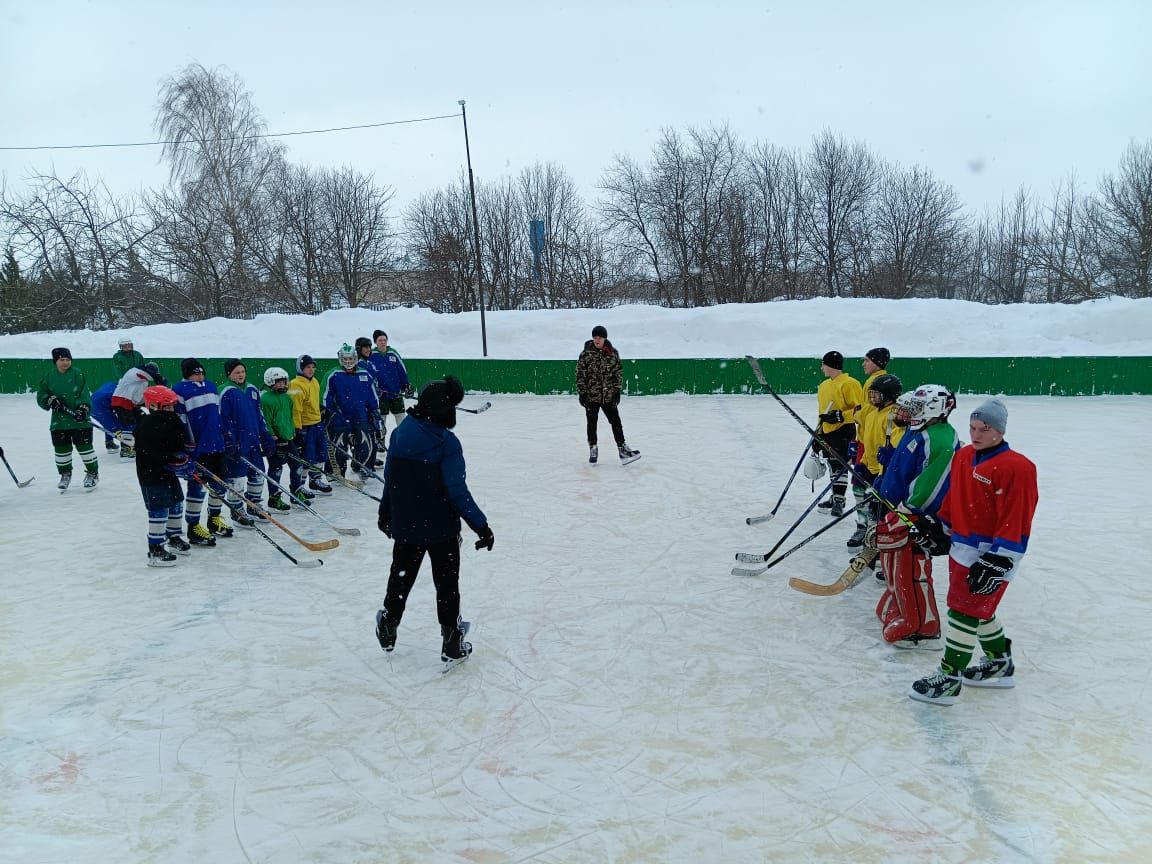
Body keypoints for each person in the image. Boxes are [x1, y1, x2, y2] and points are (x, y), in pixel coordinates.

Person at [909, 398, 1039, 705]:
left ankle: (950, 677)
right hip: (962, 548)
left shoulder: (1017, 467)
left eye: (985, 428)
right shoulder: (965, 455)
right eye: (973, 427)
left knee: (963, 610)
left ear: (1000, 431)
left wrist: (999, 559)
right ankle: (999, 662)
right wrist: (941, 527)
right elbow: (956, 497)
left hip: (992, 554)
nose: (977, 433)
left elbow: (1017, 515)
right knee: (978, 609)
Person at [374, 376, 493, 665]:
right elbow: (457, 491)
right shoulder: (447, 443)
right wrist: (481, 526)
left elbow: (390, 479)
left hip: (407, 525)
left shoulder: (400, 433)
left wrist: (385, 512)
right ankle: (451, 640)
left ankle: (388, 625)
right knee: (447, 584)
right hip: (441, 528)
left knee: (401, 578)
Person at [872, 384, 959, 648]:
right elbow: (905, 465)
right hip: (894, 506)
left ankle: (922, 624)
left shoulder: (941, 438)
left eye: (918, 407)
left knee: (911, 565)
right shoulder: (918, 429)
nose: (911, 411)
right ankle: (899, 605)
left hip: (912, 515)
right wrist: (883, 482)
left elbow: (931, 484)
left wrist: (909, 511)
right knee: (892, 563)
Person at [173, 357, 247, 545]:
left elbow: (217, 414)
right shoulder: (179, 391)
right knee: (197, 487)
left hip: (217, 445)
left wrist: (226, 436)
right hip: (198, 449)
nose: (199, 376)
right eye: (195, 373)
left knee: (219, 484)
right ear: (187, 375)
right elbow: (180, 422)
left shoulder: (212, 386)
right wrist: (185, 447)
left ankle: (214, 519)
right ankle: (193, 526)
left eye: (201, 372)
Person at [134, 385, 193, 567]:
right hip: (152, 474)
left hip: (168, 473)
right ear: (153, 406)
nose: (170, 410)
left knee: (176, 503)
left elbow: (178, 442)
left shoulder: (174, 420)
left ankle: (174, 537)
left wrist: (183, 455)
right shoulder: (147, 425)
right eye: (166, 407)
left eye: (171, 406)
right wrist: (171, 459)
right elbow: (152, 452)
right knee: (159, 509)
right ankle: (155, 548)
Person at [846, 373, 904, 548]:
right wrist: (861, 461)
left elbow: (895, 446)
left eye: (877, 394)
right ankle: (866, 532)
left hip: (884, 472)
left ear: (889, 396)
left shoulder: (894, 416)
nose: (872, 398)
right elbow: (867, 441)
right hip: (869, 467)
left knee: (878, 509)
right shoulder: (872, 413)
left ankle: (879, 543)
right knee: (862, 497)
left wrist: (885, 465)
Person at [219, 359, 275, 520]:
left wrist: (265, 436)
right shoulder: (224, 392)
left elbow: (259, 415)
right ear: (229, 374)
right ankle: (237, 510)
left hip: (253, 443)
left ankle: (254, 505)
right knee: (237, 479)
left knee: (257, 475)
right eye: (237, 372)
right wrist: (228, 441)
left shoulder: (252, 389)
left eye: (242, 372)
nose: (241, 375)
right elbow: (222, 420)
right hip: (236, 445)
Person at [36, 347, 99, 491]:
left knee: (85, 448)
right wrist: (49, 400)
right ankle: (65, 474)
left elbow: (84, 393)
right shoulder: (49, 376)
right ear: (55, 361)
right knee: (61, 450)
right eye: (62, 360)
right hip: (59, 422)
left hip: (79, 421)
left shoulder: (77, 374)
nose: (65, 363)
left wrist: (83, 409)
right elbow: (41, 395)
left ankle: (92, 473)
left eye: (68, 360)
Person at [576, 325, 639, 464]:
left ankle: (622, 449)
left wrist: (616, 391)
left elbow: (618, 373)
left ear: (605, 338)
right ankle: (593, 447)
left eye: (600, 337)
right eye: (595, 337)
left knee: (616, 422)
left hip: (608, 395)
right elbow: (580, 374)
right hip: (591, 396)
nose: (597, 340)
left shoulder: (612, 353)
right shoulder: (586, 353)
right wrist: (582, 393)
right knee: (591, 423)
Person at [814, 350, 863, 516]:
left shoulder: (850, 383)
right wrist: (818, 433)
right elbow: (822, 412)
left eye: (823, 364)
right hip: (827, 431)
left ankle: (839, 500)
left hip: (844, 430)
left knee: (840, 464)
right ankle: (835, 496)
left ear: (831, 366)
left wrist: (841, 415)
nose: (821, 368)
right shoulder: (824, 386)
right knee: (831, 464)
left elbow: (859, 409)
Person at [324, 343, 380, 480]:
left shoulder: (365, 374)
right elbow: (326, 397)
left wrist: (375, 411)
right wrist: (329, 412)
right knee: (339, 445)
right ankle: (336, 471)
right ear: (340, 359)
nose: (348, 362)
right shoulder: (333, 375)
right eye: (345, 359)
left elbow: (372, 396)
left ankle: (361, 466)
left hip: (361, 415)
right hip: (340, 416)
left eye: (350, 359)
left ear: (355, 358)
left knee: (365, 443)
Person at [260, 365, 309, 510]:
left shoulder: (287, 398)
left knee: (297, 465)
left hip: (288, 439)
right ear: (270, 382)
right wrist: (272, 436)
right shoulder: (266, 399)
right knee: (276, 468)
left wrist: (293, 433)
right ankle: (274, 498)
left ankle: (296, 492)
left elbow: (288, 418)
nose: (282, 384)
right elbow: (266, 420)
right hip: (275, 442)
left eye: (284, 381)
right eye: (278, 381)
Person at [288, 354, 332, 495]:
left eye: (313, 367)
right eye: (308, 367)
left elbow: (313, 402)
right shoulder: (295, 384)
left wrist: (321, 410)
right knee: (306, 457)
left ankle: (315, 480)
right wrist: (297, 429)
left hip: (316, 424)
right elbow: (296, 409)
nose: (311, 370)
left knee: (319, 454)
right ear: (300, 368)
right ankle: (300, 485)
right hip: (305, 427)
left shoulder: (314, 382)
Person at [367, 329, 414, 451]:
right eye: (380, 340)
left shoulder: (393, 354)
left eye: (384, 340)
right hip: (381, 396)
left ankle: (404, 440)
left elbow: (402, 371)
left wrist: (406, 385)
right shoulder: (372, 356)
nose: (383, 342)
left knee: (401, 418)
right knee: (381, 420)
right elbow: (369, 374)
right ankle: (380, 443)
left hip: (396, 393)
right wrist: (374, 388)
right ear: (375, 342)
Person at [109, 362, 162, 458]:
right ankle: (126, 451)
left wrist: (150, 407)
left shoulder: (143, 382)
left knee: (143, 421)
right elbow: (144, 374)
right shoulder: (134, 372)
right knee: (128, 424)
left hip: (130, 404)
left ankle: (137, 446)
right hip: (121, 401)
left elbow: (140, 398)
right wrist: (157, 378)